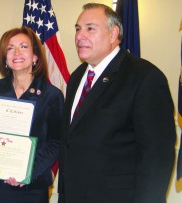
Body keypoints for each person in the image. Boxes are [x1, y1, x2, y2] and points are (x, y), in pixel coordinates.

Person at [58, 3, 176, 203]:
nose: (79, 36)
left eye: (90, 28)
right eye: (78, 29)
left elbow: (157, 156)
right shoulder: (77, 77)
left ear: (113, 34)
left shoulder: (144, 77)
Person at [0, 26, 64, 203]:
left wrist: (27, 171)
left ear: (35, 56)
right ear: (5, 58)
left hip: (31, 188)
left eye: (24, 46)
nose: (17, 52)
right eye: (10, 48)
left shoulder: (52, 95)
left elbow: (56, 142)